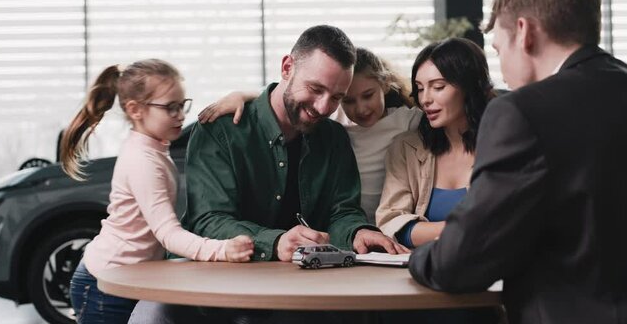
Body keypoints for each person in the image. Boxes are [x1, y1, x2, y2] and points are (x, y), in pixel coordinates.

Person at [130, 25, 407, 323]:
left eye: (337, 97)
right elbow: (208, 220)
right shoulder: (220, 130)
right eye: (315, 89)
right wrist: (275, 242)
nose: (324, 107)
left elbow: (342, 211)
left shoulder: (334, 137)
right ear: (287, 67)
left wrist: (357, 232)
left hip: (300, 292)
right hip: (214, 286)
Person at [408, 0, 627, 324]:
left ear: (524, 33)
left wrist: (418, 257)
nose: (501, 68)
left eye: (497, 48)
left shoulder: (520, 112)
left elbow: (459, 261)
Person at [61, 59, 254, 323]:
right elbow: (167, 234)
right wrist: (223, 250)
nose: (180, 115)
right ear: (135, 110)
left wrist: (241, 95)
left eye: (182, 105)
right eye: (170, 108)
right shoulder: (143, 160)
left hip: (124, 279)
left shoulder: (154, 147)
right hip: (103, 285)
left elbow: (279, 98)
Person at [198, 47, 423, 224]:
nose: (361, 108)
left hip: (389, 222)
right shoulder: (336, 123)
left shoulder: (408, 120)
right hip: (347, 226)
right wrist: (243, 95)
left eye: (368, 95)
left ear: (384, 84)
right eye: (348, 100)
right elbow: (287, 100)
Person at [377, 38, 498, 324]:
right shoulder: (405, 148)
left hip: (484, 286)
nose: (425, 99)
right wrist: (457, 231)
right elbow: (392, 222)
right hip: (418, 281)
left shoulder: (501, 144)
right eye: (419, 89)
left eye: (438, 87)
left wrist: (433, 232)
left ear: (469, 86)